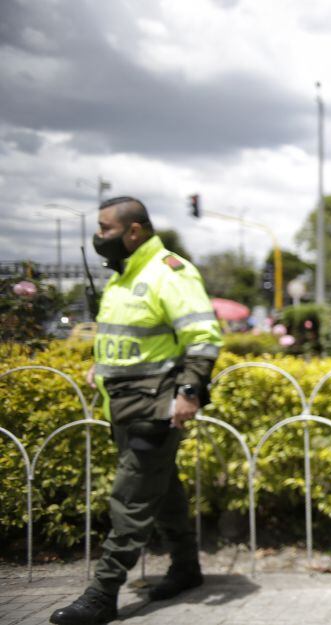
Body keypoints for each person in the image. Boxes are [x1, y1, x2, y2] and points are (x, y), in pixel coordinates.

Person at [51, 197, 222, 625]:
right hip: (123, 405)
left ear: (134, 231)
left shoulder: (170, 272)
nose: (98, 237)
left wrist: (188, 392)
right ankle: (186, 569)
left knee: (129, 501)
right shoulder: (124, 277)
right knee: (164, 493)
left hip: (155, 405)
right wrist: (100, 365)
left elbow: (202, 338)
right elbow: (131, 340)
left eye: (106, 229)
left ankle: (102, 594)